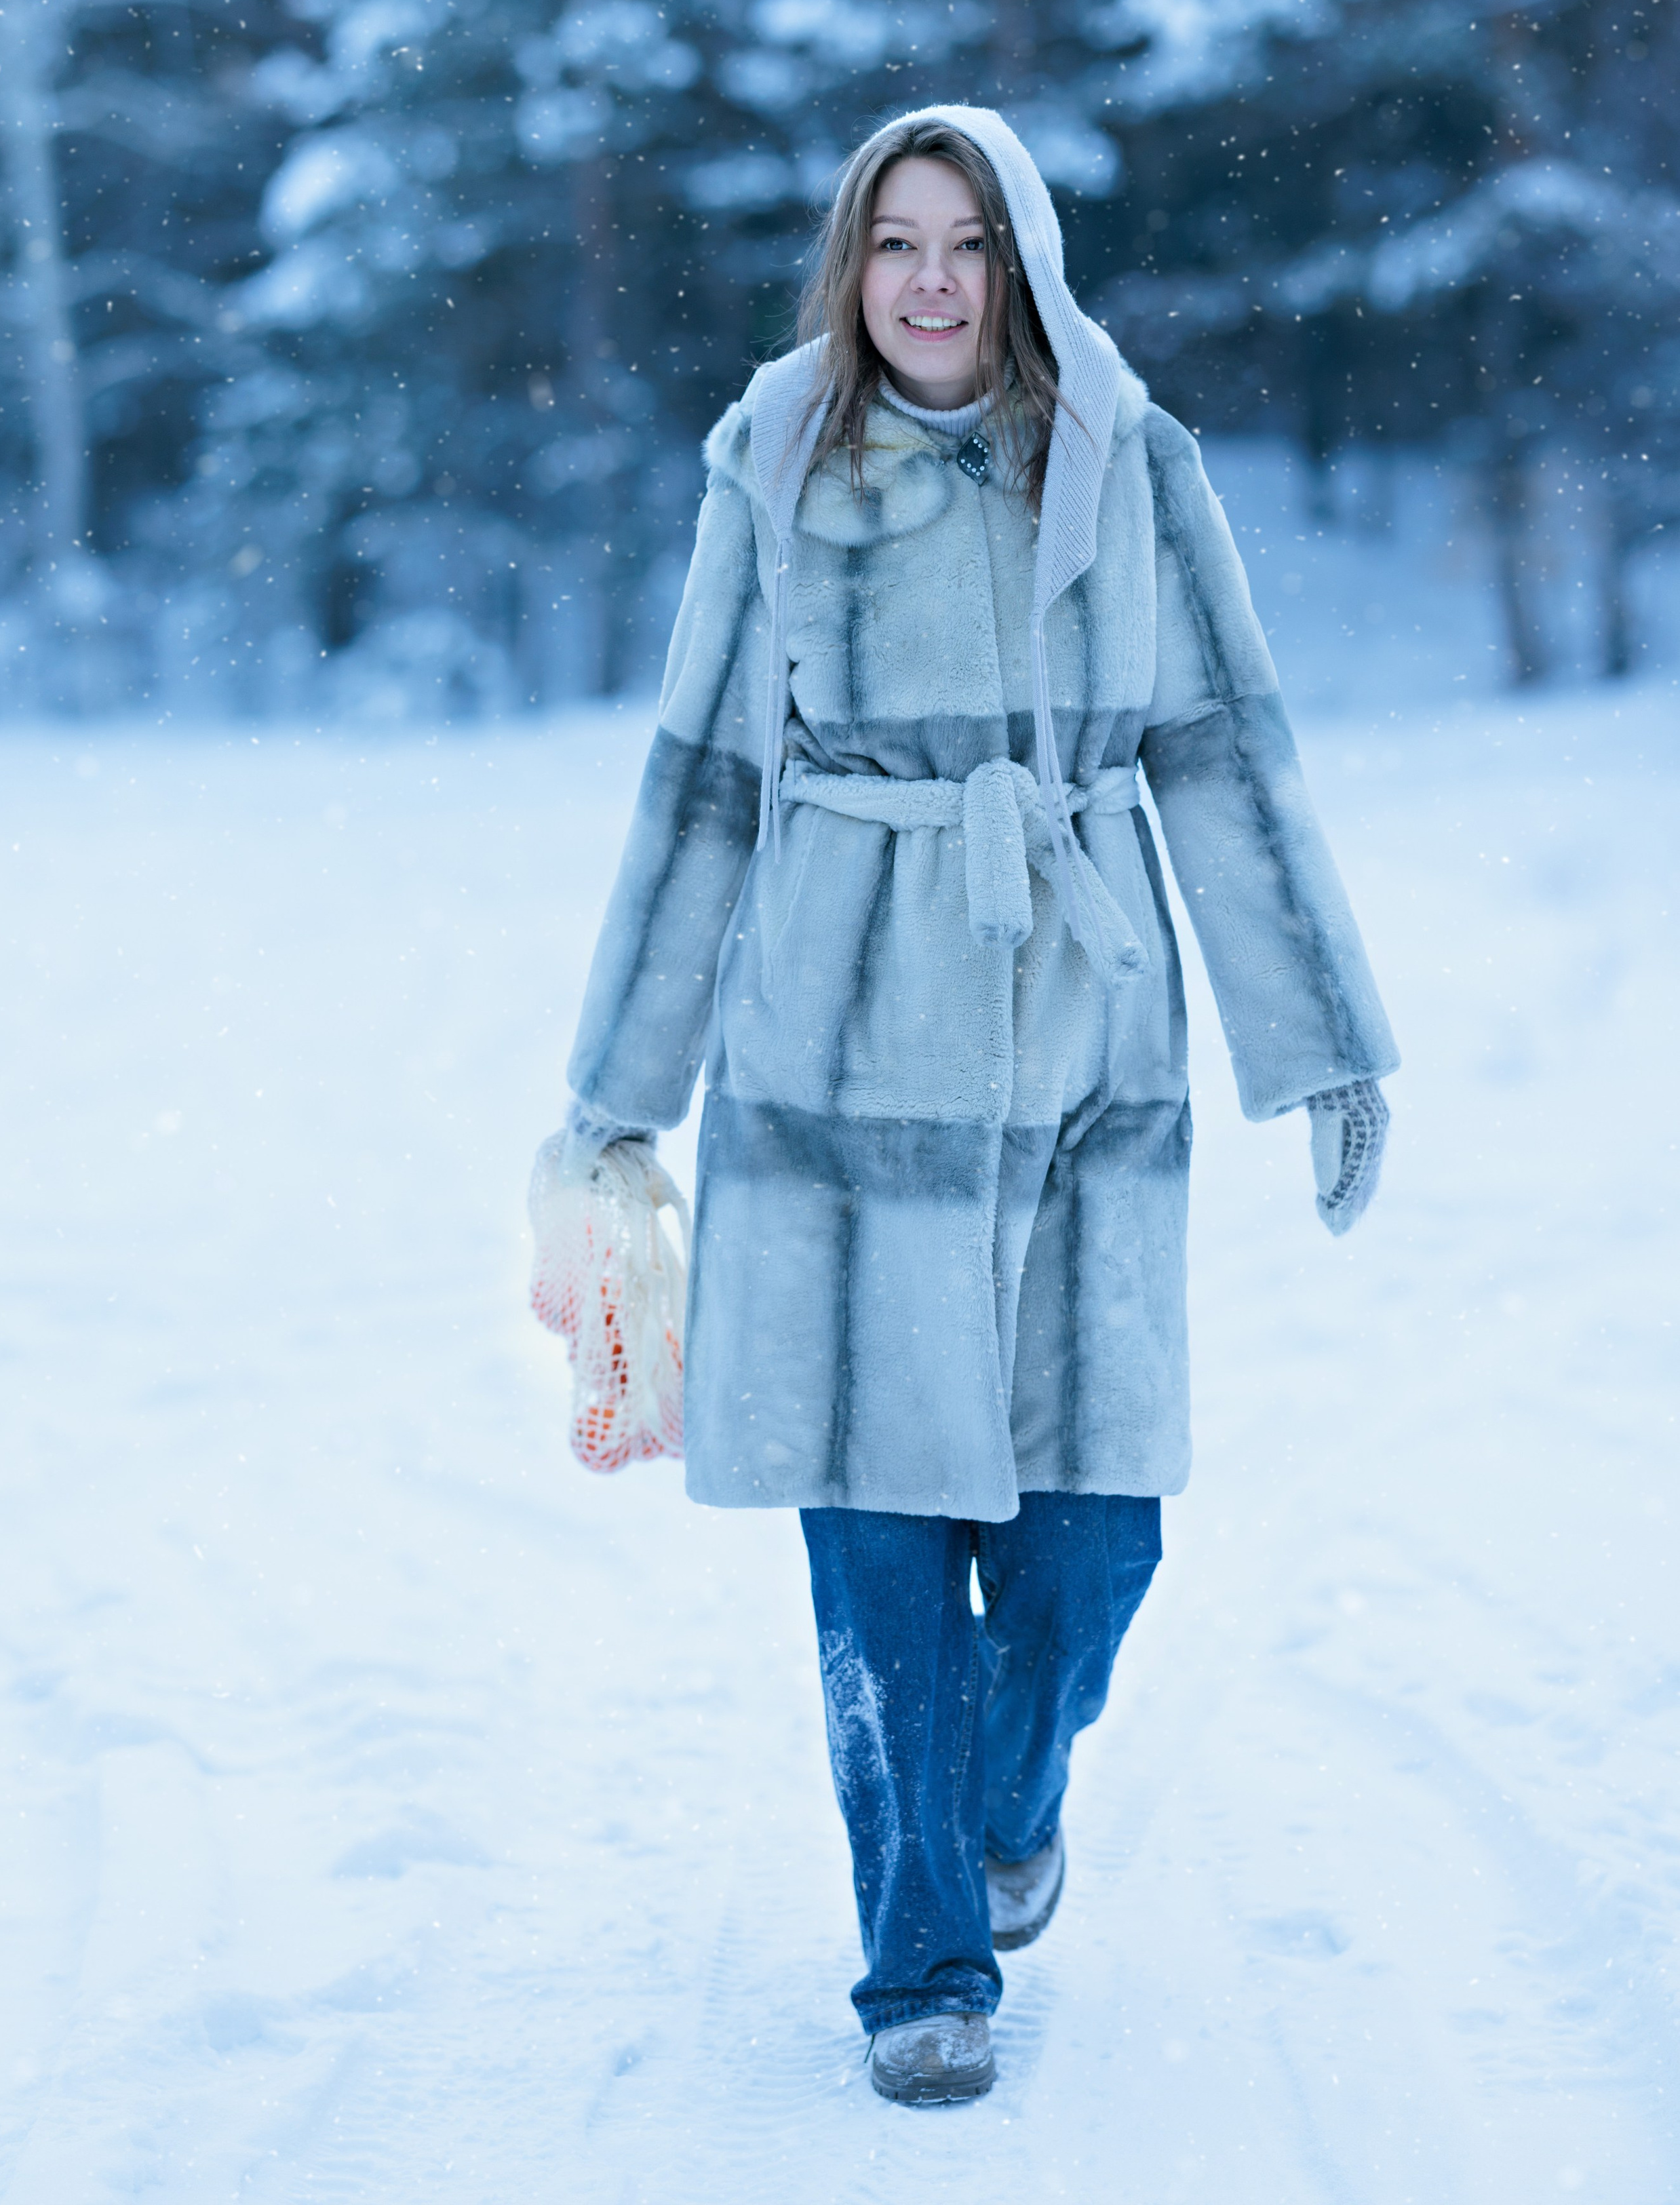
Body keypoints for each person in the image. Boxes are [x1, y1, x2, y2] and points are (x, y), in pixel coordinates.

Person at [549, 105, 1398, 2107]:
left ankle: (1012, 1798)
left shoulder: (1128, 457)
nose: (930, 282)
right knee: (880, 1559)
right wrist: (616, 1098)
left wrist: (1324, 1039)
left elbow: (1223, 750)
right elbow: (699, 781)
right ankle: (921, 1961)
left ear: (1025, 262)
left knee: (1098, 1544)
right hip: (836, 1055)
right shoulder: (775, 460)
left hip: (1086, 1047)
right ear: (851, 268)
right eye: (895, 244)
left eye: (970, 243)